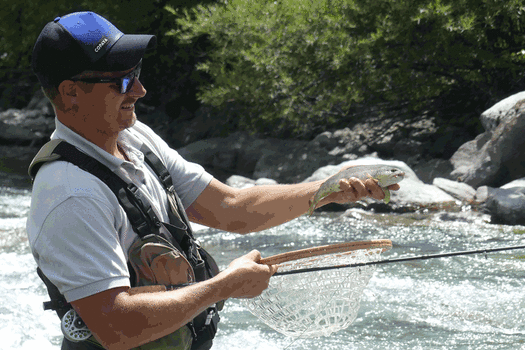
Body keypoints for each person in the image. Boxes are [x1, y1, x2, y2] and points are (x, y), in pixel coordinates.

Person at [26, 11, 400, 350]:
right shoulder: (69, 194)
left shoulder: (136, 139)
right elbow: (115, 325)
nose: (139, 90)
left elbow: (233, 209)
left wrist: (326, 189)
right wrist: (225, 286)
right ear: (70, 92)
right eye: (122, 82)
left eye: (136, 74)